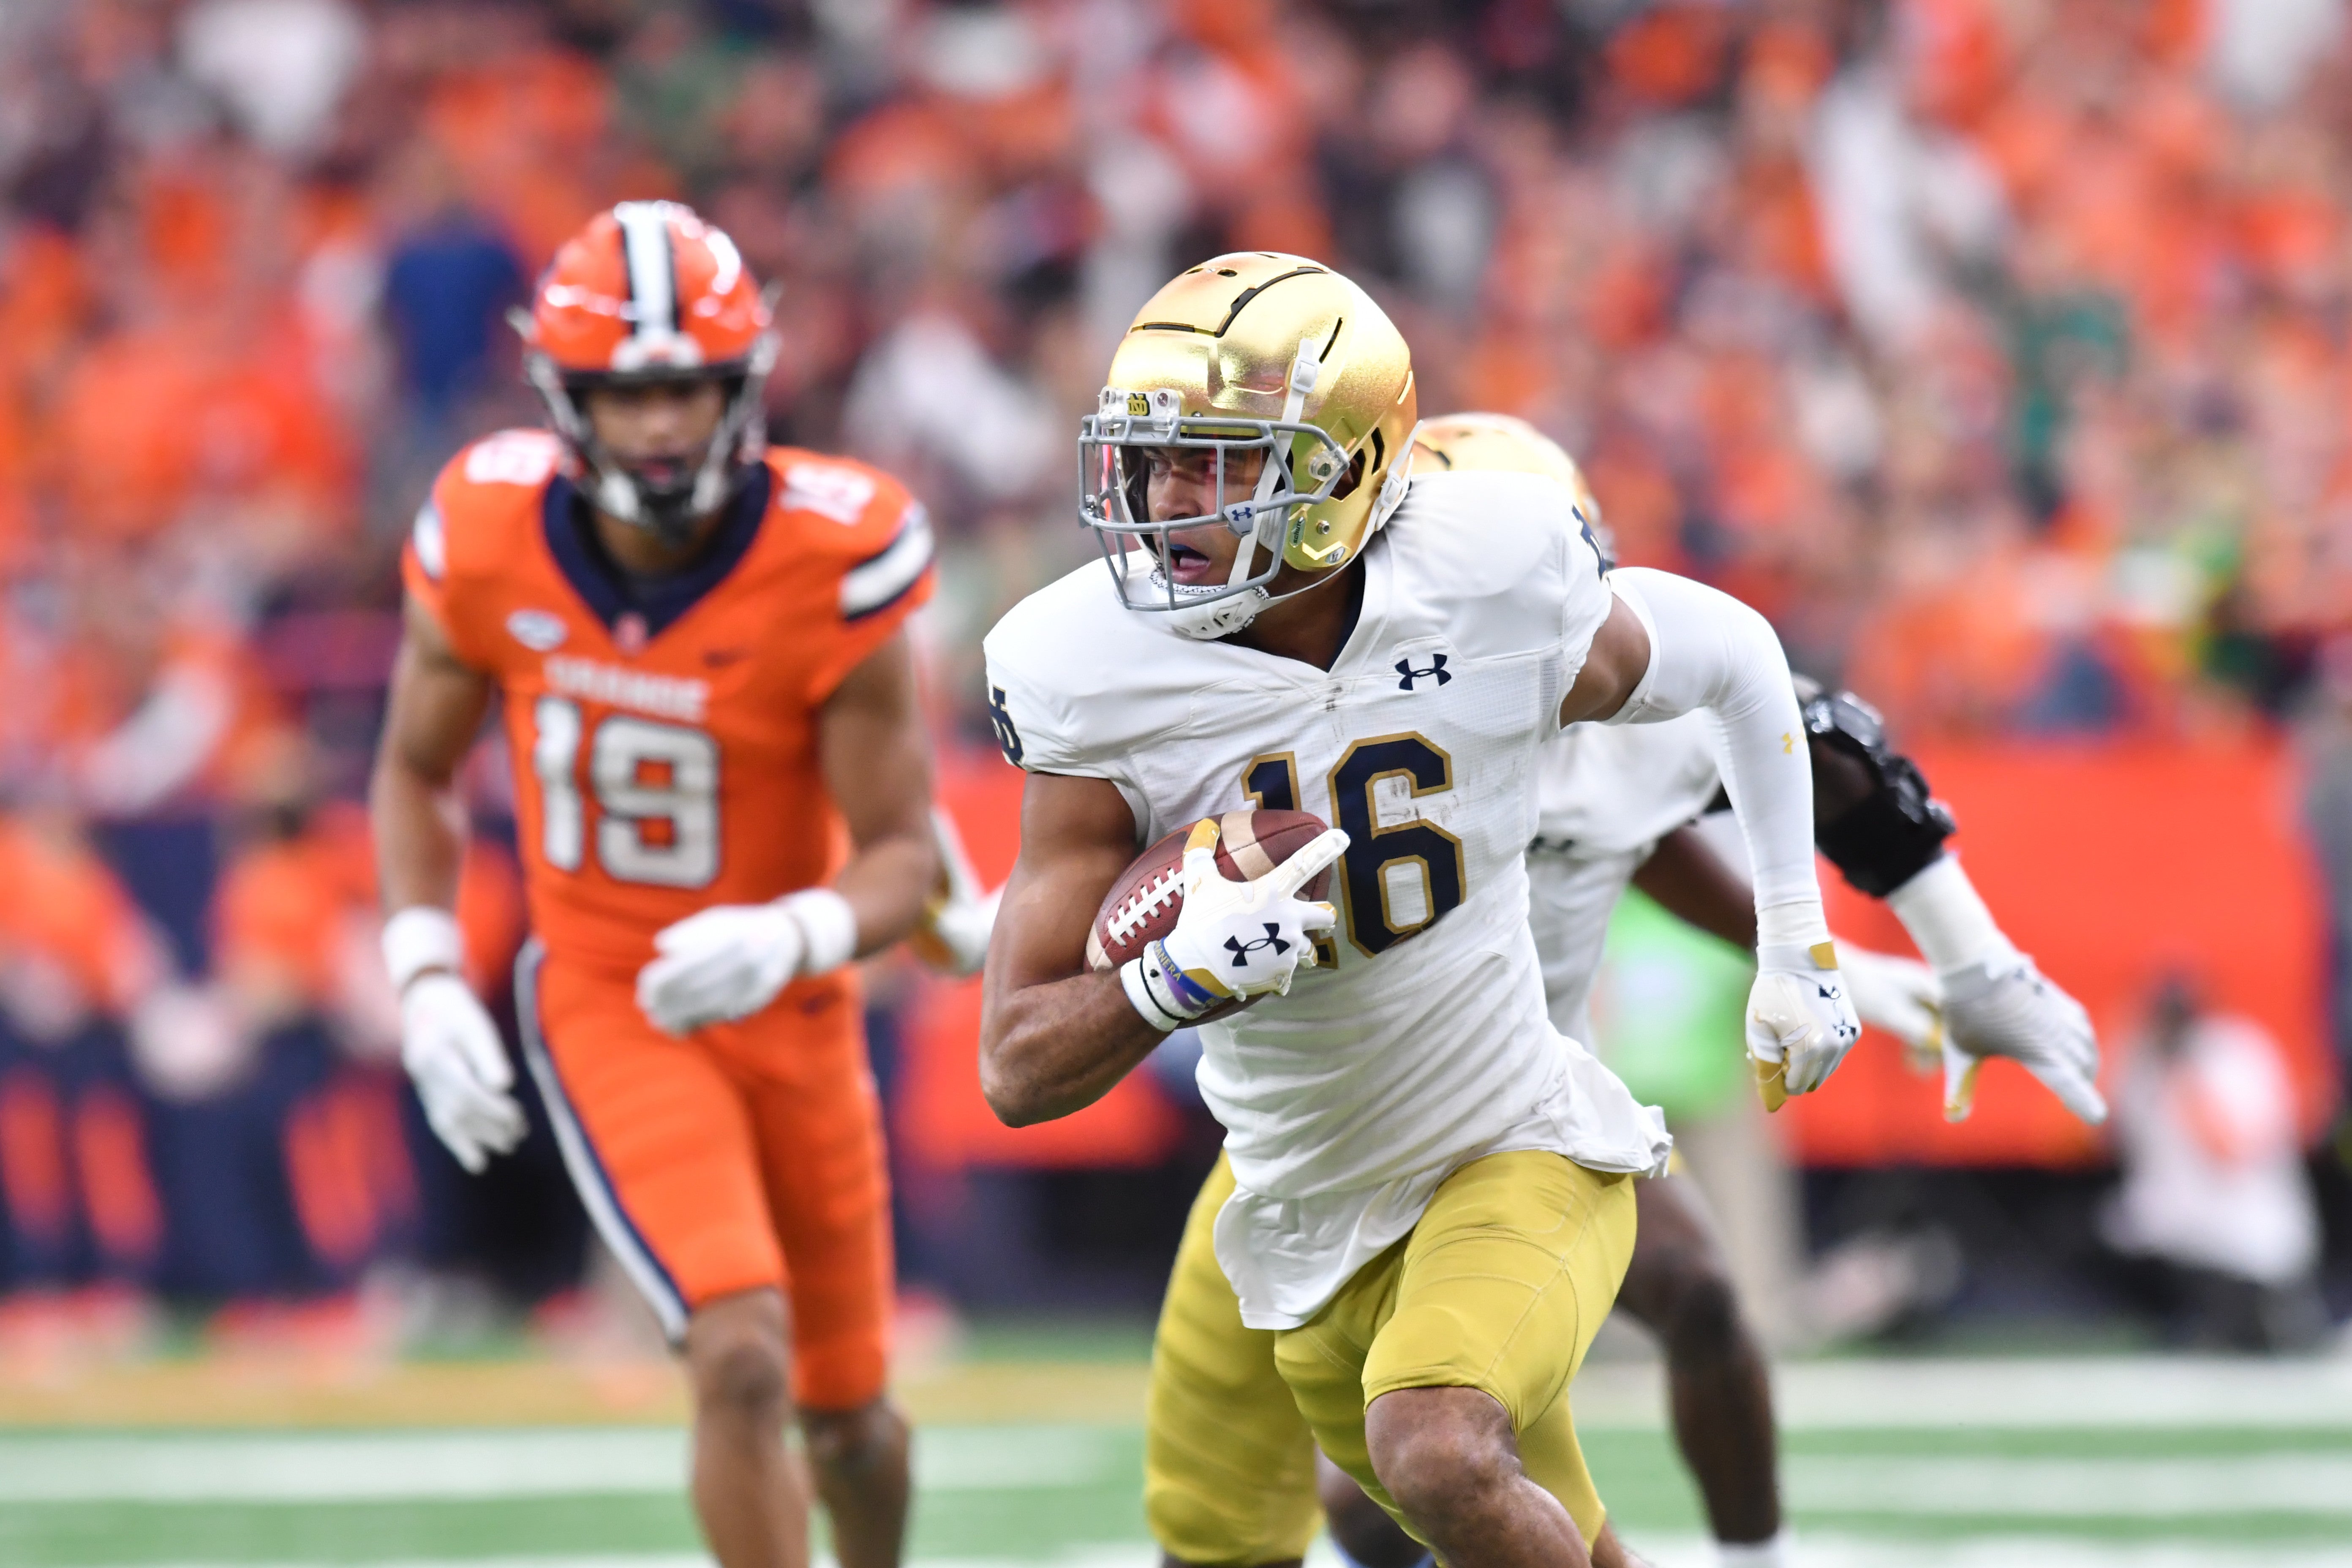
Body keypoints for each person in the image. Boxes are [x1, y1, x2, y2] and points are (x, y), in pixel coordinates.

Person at [978, 253, 1864, 1568]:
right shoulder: (1086, 671)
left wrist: (1799, 940)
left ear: (1343, 471)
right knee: (1471, 1519)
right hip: (1300, 1197)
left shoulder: (1491, 570)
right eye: (1152, 462)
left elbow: (1736, 655)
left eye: (1217, 462)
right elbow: (1016, 1062)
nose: (1167, 503)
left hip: (1513, 1140)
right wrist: (1171, 984)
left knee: (1437, 1449)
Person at [1290, 414, 2107, 1568]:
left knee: (1705, 1300)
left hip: (1534, 1104)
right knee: (1375, 1494)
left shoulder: (1620, 707)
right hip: (1366, 1127)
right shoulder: (1350, 723)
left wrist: (1937, 963)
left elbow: (1816, 764)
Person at [370, 202, 940, 1568]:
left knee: (854, 1419)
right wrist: (424, 967)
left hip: (794, 1017)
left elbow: (905, 853)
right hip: (614, 1000)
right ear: (570, 399)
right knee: (739, 1352)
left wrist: (797, 930)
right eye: (629, 393)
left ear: (741, 386)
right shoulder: (485, 525)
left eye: (685, 386)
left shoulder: (835, 551)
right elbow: (411, 771)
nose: (662, 426)